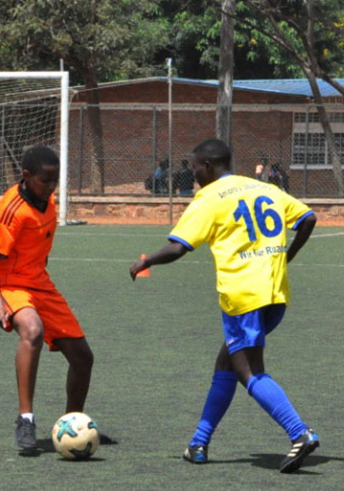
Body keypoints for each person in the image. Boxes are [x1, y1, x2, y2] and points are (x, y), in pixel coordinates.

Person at [129, 138, 319, 473]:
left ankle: (299, 433)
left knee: (248, 371)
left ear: (209, 166)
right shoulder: (264, 188)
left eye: (196, 166)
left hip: (242, 294)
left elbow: (177, 248)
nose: (194, 172)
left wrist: (144, 262)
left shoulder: (209, 198)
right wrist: (287, 257)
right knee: (226, 363)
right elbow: (308, 219)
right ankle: (199, 443)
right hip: (275, 294)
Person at [0, 145, 106, 455]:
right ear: (26, 176)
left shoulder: (47, 201)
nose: (52, 187)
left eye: (55, 181)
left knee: (83, 357)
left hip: (40, 284)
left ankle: (72, 425)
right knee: (32, 331)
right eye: (45, 180)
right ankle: (25, 419)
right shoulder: (11, 211)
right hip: (9, 285)